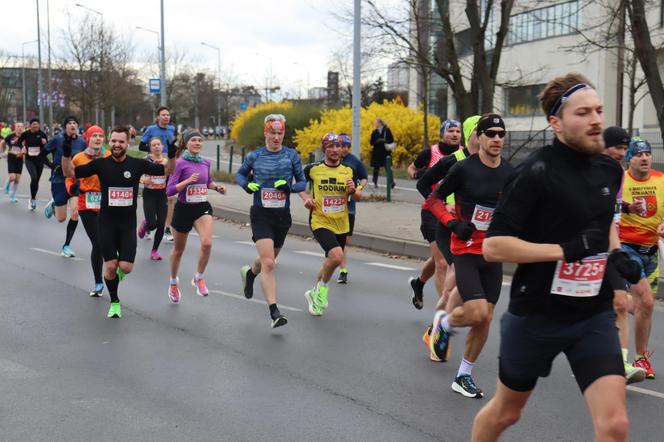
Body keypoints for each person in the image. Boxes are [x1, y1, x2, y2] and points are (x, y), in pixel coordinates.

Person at [471, 73, 638, 441]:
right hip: (536, 316)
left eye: (599, 110)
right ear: (556, 123)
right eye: (583, 113)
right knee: (506, 412)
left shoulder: (609, 168)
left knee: (615, 425)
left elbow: (602, 223)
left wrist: (615, 255)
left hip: (592, 315)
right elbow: (494, 246)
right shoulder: (534, 172)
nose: (596, 120)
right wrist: (565, 250)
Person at [426, 114, 514, 398]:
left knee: (485, 318)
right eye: (491, 133)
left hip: (492, 252)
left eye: (501, 134)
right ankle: (445, 324)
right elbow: (433, 200)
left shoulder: (510, 172)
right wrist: (452, 223)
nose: (497, 139)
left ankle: (463, 375)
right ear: (479, 136)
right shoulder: (463, 169)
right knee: (476, 312)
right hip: (465, 250)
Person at [63, 125, 176, 318]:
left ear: (128, 143)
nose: (116, 145)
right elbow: (71, 173)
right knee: (110, 266)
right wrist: (66, 153)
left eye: (121, 141)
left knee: (125, 268)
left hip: (127, 225)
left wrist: (172, 154)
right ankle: (114, 301)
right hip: (106, 223)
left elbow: (167, 171)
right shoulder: (101, 164)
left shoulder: (137, 164)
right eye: (113, 141)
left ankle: (116, 276)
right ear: (110, 142)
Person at [236, 114, 309, 327]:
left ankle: (250, 273)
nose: (276, 137)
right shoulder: (255, 156)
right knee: (269, 263)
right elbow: (240, 175)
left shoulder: (291, 156)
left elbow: (302, 184)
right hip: (261, 213)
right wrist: (246, 185)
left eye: (280, 133)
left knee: (266, 259)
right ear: (265, 133)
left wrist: (288, 187)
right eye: (272, 133)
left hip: (282, 216)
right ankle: (275, 312)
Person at [418, 115, 481, 362]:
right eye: (481, 130)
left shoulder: (492, 163)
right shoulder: (453, 160)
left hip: (473, 231)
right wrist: (444, 206)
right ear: (470, 133)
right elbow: (424, 184)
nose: (488, 136)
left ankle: (436, 329)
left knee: (457, 286)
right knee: (451, 279)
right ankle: (437, 337)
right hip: (447, 225)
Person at [601, 127, 646, 384]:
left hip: (611, 247)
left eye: (623, 149)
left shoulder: (617, 172)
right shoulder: (593, 168)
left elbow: (612, 206)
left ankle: (621, 363)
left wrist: (628, 207)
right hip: (589, 248)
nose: (620, 153)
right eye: (616, 148)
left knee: (620, 302)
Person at [617, 137, 662, 379]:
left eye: (647, 153)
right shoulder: (621, 180)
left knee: (645, 305)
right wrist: (626, 208)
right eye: (638, 154)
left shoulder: (661, 180)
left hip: (652, 249)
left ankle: (641, 357)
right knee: (644, 298)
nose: (644, 157)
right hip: (626, 247)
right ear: (629, 158)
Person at [303, 133, 361, 316]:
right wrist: (306, 199)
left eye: (339, 146)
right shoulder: (313, 169)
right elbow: (295, 185)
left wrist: (353, 191)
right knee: (336, 257)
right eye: (331, 146)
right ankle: (322, 291)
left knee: (331, 261)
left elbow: (358, 197)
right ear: (324, 149)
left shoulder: (349, 170)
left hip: (341, 223)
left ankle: (314, 293)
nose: (336, 150)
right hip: (320, 221)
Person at [407, 119, 462, 310]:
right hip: (431, 211)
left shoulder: (464, 154)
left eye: (458, 131)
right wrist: (417, 174)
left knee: (439, 256)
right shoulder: (431, 153)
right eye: (451, 131)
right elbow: (411, 168)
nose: (455, 134)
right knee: (442, 263)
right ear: (442, 134)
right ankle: (443, 311)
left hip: (455, 211)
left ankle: (418, 283)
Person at [166, 130, 226, 304]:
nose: (198, 143)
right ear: (186, 143)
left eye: (200, 140)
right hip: (183, 209)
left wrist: (217, 188)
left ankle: (198, 277)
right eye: (194, 140)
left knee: (207, 243)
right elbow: (169, 190)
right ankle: (173, 282)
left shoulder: (206, 163)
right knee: (178, 251)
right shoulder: (179, 163)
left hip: (202, 207)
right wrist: (187, 182)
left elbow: (208, 182)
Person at [62, 125, 111, 297]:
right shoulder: (79, 158)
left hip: (106, 203)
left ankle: (115, 267)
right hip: (86, 203)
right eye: (94, 136)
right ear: (88, 138)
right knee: (98, 243)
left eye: (101, 135)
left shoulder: (108, 156)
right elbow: (69, 177)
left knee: (111, 240)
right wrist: (72, 192)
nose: (98, 138)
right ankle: (98, 282)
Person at [43, 116, 86, 258]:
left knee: (75, 213)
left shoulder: (82, 142)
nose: (72, 125)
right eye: (69, 123)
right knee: (61, 218)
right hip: (59, 179)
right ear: (65, 126)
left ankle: (66, 246)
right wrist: (52, 166)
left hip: (74, 180)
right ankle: (55, 203)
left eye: (75, 123)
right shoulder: (57, 139)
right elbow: (43, 154)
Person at [140, 107, 177, 242]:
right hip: (154, 162)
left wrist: (173, 153)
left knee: (171, 197)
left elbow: (175, 145)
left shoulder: (172, 129)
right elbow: (140, 145)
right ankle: (149, 223)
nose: (166, 117)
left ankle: (167, 228)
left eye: (168, 115)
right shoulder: (151, 129)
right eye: (163, 115)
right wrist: (155, 149)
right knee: (155, 191)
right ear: (158, 117)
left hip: (168, 163)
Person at [337, 132, 368, 283]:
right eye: (340, 145)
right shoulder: (330, 159)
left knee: (345, 241)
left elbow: (364, 177)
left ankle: (336, 259)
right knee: (337, 241)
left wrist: (359, 188)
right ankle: (343, 270)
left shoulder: (353, 161)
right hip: (333, 207)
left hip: (349, 206)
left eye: (345, 146)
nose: (343, 149)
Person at [138, 137, 170, 260]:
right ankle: (146, 224)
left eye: (158, 144)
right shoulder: (145, 160)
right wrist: (143, 180)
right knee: (152, 224)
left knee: (161, 224)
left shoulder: (166, 161)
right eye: (154, 145)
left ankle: (154, 250)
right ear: (150, 148)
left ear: (162, 147)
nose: (157, 147)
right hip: (149, 194)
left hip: (162, 195)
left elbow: (171, 175)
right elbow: (137, 175)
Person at [18, 118, 50, 210]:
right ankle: (32, 199)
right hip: (29, 160)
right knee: (34, 177)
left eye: (37, 124)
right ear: (30, 125)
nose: (35, 126)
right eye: (33, 124)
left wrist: (45, 143)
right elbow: (19, 142)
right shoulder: (25, 134)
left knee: (36, 181)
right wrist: (23, 147)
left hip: (39, 160)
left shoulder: (42, 134)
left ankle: (33, 197)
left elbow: (47, 148)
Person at [0, 123, 25, 203]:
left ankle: (13, 195)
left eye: (21, 126)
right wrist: (0, 153)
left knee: (17, 179)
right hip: (11, 158)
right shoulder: (10, 136)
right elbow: (2, 143)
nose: (20, 128)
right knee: (12, 177)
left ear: (23, 128)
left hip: (20, 159)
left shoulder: (25, 137)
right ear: (15, 128)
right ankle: (7, 185)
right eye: (18, 126)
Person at [369, 118, 394, 188]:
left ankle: (391, 182)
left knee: (388, 168)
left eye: (376, 122)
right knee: (376, 169)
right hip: (376, 153)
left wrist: (384, 140)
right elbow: (371, 142)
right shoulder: (374, 132)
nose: (375, 124)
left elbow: (391, 140)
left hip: (386, 153)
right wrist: (377, 141)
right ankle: (375, 182)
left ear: (380, 123)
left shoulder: (387, 130)